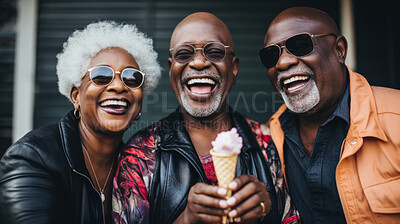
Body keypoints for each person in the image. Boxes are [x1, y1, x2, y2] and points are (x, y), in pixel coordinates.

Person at [113, 12, 300, 224]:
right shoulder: (139, 154)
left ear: (234, 68)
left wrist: (267, 210)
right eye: (184, 54)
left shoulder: (267, 142)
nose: (200, 63)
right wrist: (186, 221)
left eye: (214, 52)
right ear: (171, 69)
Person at [0, 21, 161, 223]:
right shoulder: (32, 158)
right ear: (76, 96)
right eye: (102, 76)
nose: (119, 86)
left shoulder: (136, 167)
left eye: (132, 77)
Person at [259, 6, 400, 224]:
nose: (282, 63)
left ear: (340, 50)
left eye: (300, 45)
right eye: (271, 55)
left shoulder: (396, 117)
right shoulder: (269, 137)